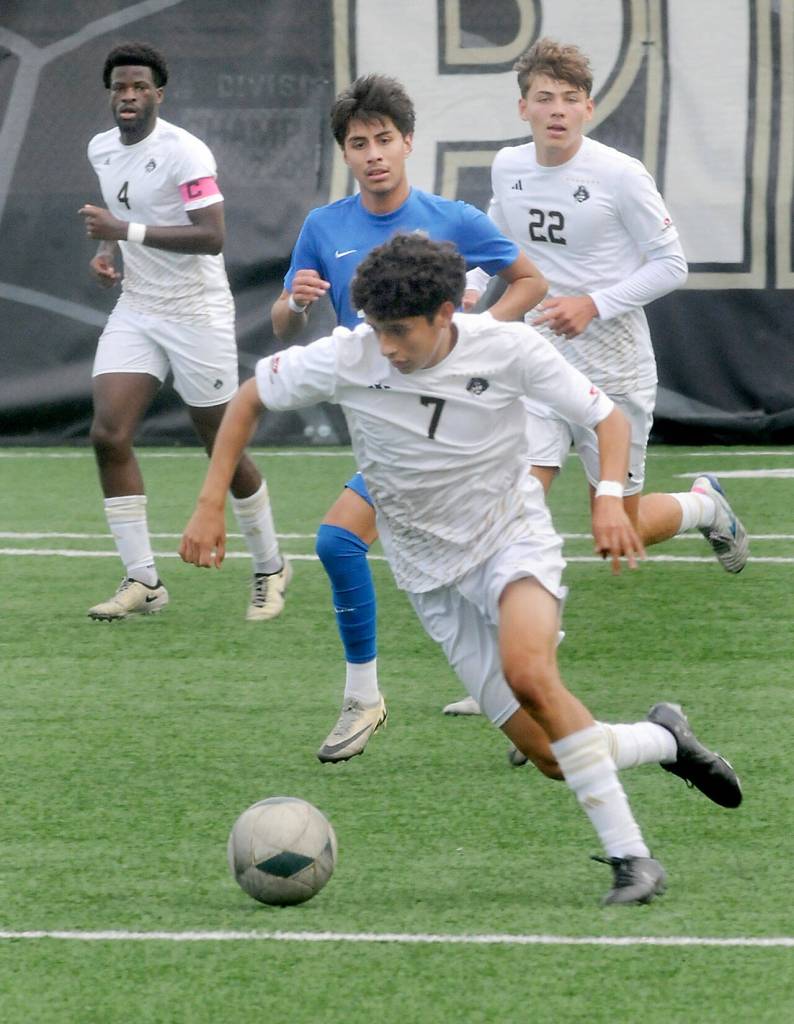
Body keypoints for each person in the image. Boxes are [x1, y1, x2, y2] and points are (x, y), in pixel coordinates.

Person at [180, 234, 741, 905]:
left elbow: (606, 418)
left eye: (400, 331)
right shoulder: (350, 355)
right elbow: (248, 398)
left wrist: (610, 499)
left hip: (511, 539)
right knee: (550, 756)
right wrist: (210, 502)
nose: (387, 346)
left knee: (530, 672)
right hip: (429, 576)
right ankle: (664, 739)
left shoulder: (507, 346)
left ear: (446, 313)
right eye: (377, 329)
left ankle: (633, 860)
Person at [447, 37, 749, 720]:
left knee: (620, 520)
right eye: (543, 98)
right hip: (535, 361)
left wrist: (595, 303)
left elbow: (671, 264)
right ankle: (522, 666)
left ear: (588, 107)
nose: (556, 110)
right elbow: (499, 237)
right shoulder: (508, 165)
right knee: (517, 500)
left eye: (569, 99)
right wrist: (467, 285)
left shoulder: (620, 174)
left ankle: (706, 506)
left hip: (613, 363)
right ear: (523, 108)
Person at [271, 74, 547, 762]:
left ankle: (368, 697)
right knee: (455, 565)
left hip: (451, 430)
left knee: (343, 541)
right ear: (345, 152)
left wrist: (477, 334)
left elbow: (531, 280)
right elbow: (282, 324)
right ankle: (529, 706)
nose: (373, 154)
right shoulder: (323, 227)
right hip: (384, 430)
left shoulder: (451, 218)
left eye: (384, 139)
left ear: (408, 142)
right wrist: (294, 305)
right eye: (358, 143)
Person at [79, 42, 288, 622]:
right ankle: (143, 580)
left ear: (159, 95)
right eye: (120, 88)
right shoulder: (101, 147)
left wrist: (123, 230)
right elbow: (120, 212)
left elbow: (212, 236)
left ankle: (271, 566)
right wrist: (108, 250)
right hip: (138, 306)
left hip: (197, 311)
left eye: (139, 87)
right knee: (108, 433)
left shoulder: (185, 153)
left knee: (221, 446)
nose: (128, 96)